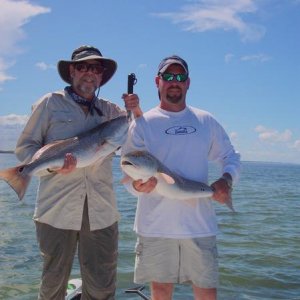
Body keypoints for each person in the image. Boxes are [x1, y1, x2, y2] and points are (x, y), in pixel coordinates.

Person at [15, 45, 141, 300]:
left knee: (103, 283)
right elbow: (25, 148)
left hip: (102, 210)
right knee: (53, 281)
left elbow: (137, 140)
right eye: (83, 67)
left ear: (101, 75)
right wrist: (52, 166)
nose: (89, 73)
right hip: (56, 209)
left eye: (95, 68)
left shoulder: (113, 112)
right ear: (72, 71)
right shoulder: (50, 103)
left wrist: (136, 111)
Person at [122, 55, 241, 300]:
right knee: (161, 291)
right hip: (155, 225)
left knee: (206, 292)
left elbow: (231, 156)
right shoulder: (142, 124)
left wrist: (226, 180)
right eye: (168, 76)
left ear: (188, 83)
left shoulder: (205, 121)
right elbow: (127, 173)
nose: (174, 81)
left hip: (199, 224)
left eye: (180, 77)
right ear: (158, 81)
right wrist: (137, 186)